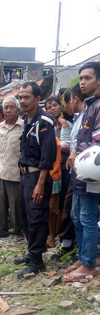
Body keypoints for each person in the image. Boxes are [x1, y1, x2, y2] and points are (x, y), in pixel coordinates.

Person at [15, 82, 56, 278]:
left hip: (36, 176)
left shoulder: (44, 121)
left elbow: (47, 157)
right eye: (20, 97)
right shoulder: (27, 120)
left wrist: (40, 184)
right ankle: (32, 251)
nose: (22, 101)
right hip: (25, 175)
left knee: (37, 216)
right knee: (25, 215)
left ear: (38, 99)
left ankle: (37, 261)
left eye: (26, 97)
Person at [64, 62, 100, 282]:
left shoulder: (98, 106)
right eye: (81, 78)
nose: (83, 82)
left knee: (87, 217)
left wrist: (78, 152)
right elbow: (81, 138)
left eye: (87, 77)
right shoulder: (89, 106)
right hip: (79, 171)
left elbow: (96, 141)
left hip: (91, 171)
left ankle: (88, 264)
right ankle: (82, 256)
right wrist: (75, 151)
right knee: (76, 215)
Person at [52, 84, 86, 261]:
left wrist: (55, 144)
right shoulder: (79, 117)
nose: (66, 106)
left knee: (80, 212)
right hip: (76, 170)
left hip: (83, 171)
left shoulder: (85, 117)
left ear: (74, 99)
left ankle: (84, 254)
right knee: (74, 211)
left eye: (66, 102)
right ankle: (76, 248)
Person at [0, 96, 23, 241]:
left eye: (11, 107)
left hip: (16, 172)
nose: (8, 110)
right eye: (6, 107)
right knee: (0, 204)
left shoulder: (23, 126)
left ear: (17, 109)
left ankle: (17, 231)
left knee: (15, 205)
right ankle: (1, 230)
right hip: (1, 171)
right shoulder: (0, 127)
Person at [45, 96, 72, 248]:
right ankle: (51, 234)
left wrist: (53, 145)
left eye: (55, 105)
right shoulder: (47, 124)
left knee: (61, 204)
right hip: (49, 167)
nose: (52, 108)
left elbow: (69, 146)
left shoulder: (65, 123)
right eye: (49, 107)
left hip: (63, 167)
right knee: (50, 204)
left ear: (60, 107)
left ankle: (61, 234)